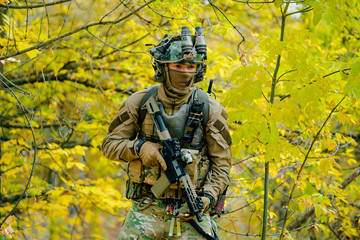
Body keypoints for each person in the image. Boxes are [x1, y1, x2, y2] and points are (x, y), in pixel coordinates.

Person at [102, 26, 232, 240]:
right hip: (147, 207)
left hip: (191, 211)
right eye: (178, 65)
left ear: (198, 69)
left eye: (191, 66)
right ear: (163, 68)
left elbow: (222, 164)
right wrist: (140, 148)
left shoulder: (211, 108)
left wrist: (207, 197)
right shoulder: (140, 102)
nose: (185, 71)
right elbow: (109, 145)